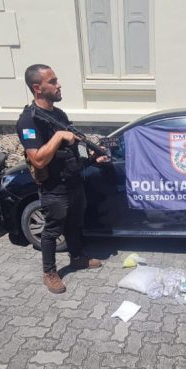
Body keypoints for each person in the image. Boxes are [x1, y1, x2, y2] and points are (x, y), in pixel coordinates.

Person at [16, 64, 107, 294]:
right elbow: (38, 160)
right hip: (54, 187)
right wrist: (57, 136)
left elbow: (72, 148)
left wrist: (93, 157)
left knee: (75, 224)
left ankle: (77, 258)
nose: (59, 85)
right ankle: (49, 272)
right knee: (52, 230)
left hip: (74, 181)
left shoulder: (59, 114)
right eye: (53, 81)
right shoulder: (28, 121)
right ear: (37, 88)